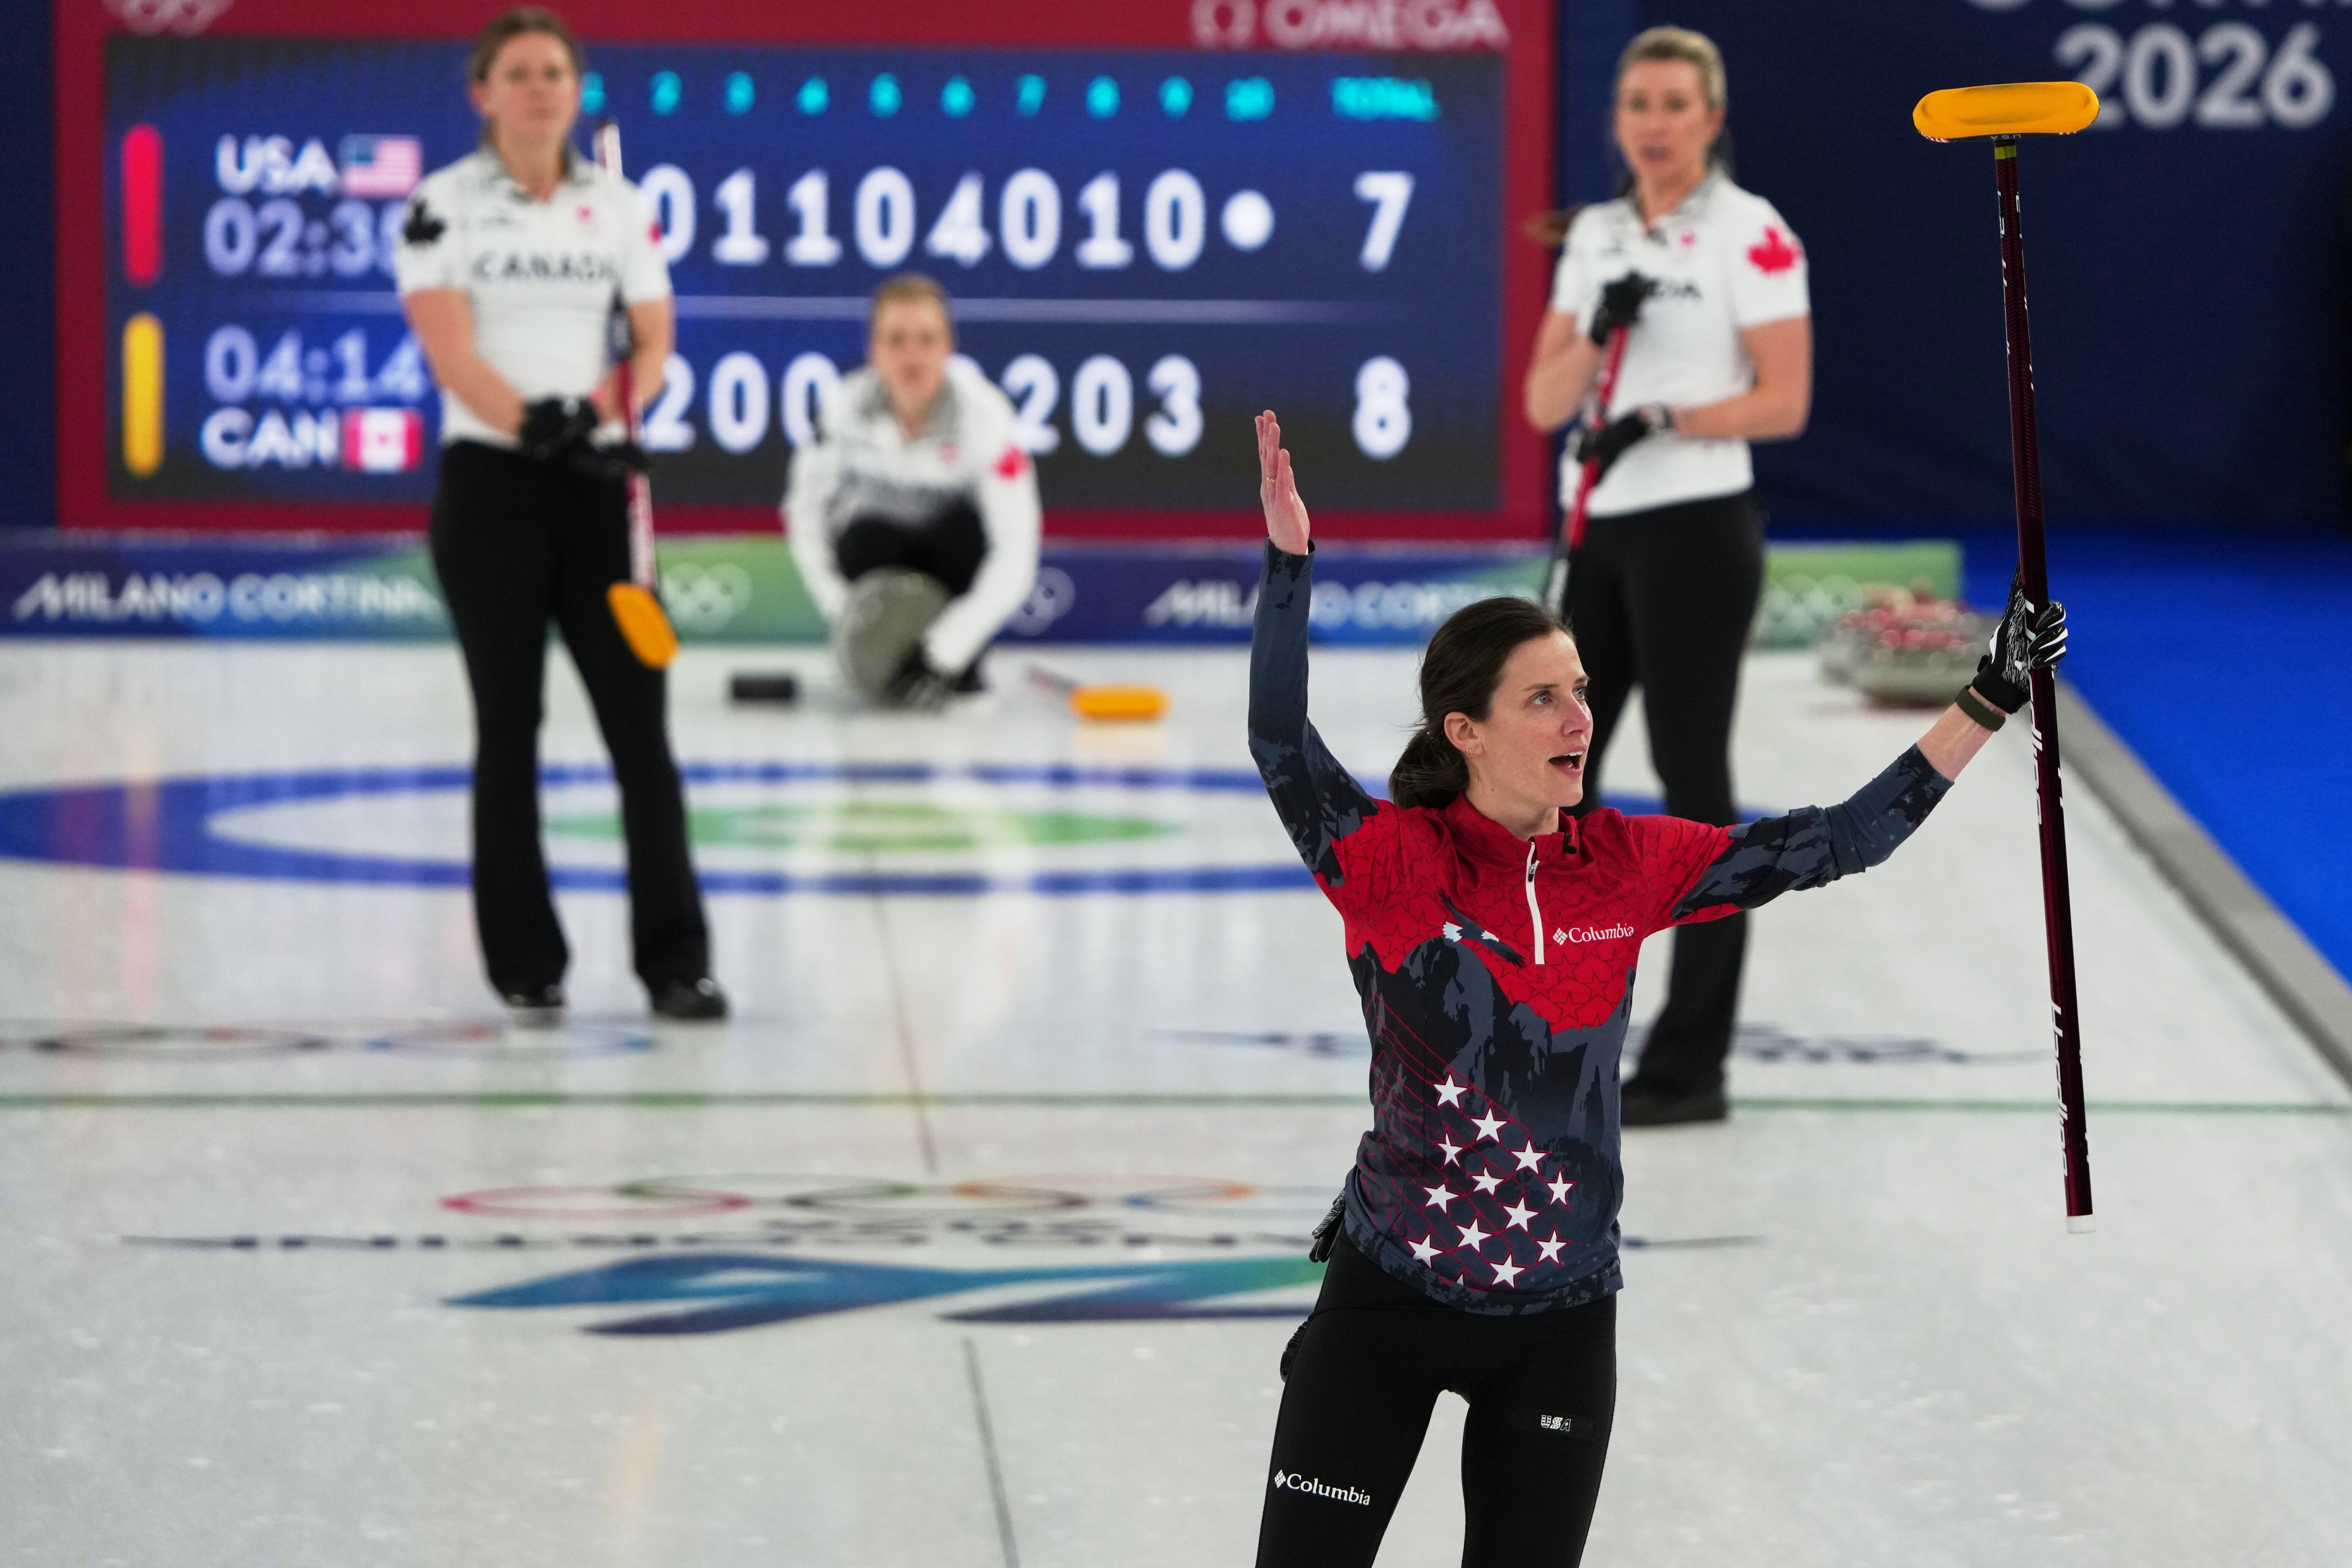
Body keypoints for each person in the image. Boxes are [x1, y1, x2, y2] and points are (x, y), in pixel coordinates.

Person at [1245, 409, 2063, 1568]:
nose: (1580, 717)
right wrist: (1288, 566)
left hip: (1560, 1323)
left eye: (1580, 690)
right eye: (1543, 699)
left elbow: (1834, 841)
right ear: (1462, 730)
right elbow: (1278, 739)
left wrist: (1984, 700)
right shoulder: (1388, 863)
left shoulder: (1629, 864)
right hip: (1387, 1301)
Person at [396, 6, 724, 1024]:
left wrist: (607, 415)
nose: (540, 89)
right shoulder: (438, 204)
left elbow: (656, 341)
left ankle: (677, 963)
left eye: (555, 73)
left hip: (598, 492)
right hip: (492, 488)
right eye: (519, 73)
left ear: (578, 91)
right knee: (511, 727)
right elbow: (449, 353)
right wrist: (534, 423)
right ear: (483, 94)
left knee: (642, 735)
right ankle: (525, 964)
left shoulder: (621, 207)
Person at [1521, 26, 1811, 1124]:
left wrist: (1662, 413)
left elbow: (1782, 401)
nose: (1652, 123)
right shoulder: (1594, 234)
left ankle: (1690, 1067)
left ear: (1709, 118)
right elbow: (1542, 406)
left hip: (1695, 527)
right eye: (1636, 103)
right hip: (1595, 526)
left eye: (1673, 105)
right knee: (1556, 792)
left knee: (1692, 792)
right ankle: (1561, 1034)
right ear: (1616, 119)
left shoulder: (1753, 233)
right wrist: (1598, 339)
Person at [783, 275, 1042, 709]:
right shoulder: (842, 413)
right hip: (880, 563)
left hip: (953, 566)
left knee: (962, 535)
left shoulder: (987, 419)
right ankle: (884, 660)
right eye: (896, 340)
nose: (912, 356)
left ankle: (954, 668)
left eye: (926, 340)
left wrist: (945, 650)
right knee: (862, 537)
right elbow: (804, 518)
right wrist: (845, 615)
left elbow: (1015, 551)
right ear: (874, 351)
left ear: (948, 348)